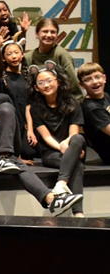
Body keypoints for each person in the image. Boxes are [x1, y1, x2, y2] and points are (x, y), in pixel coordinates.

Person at [0, 62, 81, 216]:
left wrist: (17, 155)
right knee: (13, 161)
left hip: (4, 146)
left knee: (6, 109)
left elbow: (13, 124)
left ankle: (49, 197)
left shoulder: (1, 97)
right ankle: (49, 197)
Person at [29, 64, 86, 217]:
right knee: (78, 166)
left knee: (79, 137)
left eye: (49, 80)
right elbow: (46, 136)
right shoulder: (35, 108)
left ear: (58, 81)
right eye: (41, 83)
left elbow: (73, 134)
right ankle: (78, 214)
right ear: (36, 88)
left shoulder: (73, 103)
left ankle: (61, 184)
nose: (46, 85)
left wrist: (68, 147)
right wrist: (62, 148)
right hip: (51, 153)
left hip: (72, 146)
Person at [0, 37, 36, 161]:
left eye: (16, 53)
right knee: (19, 150)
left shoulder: (27, 77)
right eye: (9, 54)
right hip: (10, 119)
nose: (14, 56)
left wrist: (30, 126)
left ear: (22, 55)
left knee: (30, 151)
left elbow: (29, 104)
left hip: (24, 120)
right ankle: (16, 157)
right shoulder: (2, 78)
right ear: (4, 58)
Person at [25, 18, 82, 102]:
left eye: (53, 32)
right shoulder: (28, 57)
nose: (49, 35)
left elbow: (73, 86)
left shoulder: (62, 55)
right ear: (37, 34)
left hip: (61, 103)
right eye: (45, 31)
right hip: (37, 104)